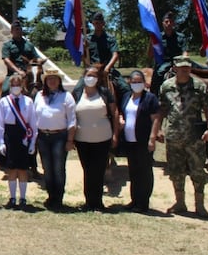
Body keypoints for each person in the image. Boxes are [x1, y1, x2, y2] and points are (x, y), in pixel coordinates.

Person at [150, 56, 208, 217]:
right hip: (173, 136)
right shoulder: (166, 86)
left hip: (195, 138)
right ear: (175, 68)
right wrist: (158, 130)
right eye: (182, 67)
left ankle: (200, 205)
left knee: (198, 171)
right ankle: (180, 203)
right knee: (176, 171)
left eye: (187, 67)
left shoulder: (199, 86)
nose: (185, 69)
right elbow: (162, 109)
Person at [72, 66, 119, 212]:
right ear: (83, 77)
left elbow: (115, 112)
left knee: (98, 171)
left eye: (94, 75)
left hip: (102, 139)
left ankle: (97, 202)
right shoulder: (77, 93)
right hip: (82, 139)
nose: (91, 78)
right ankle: (88, 202)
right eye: (88, 75)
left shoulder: (105, 93)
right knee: (87, 170)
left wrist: (115, 134)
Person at [32, 69, 76, 210]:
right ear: (45, 81)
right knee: (47, 168)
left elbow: (72, 120)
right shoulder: (39, 95)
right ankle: (50, 196)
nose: (52, 81)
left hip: (59, 136)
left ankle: (58, 198)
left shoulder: (66, 96)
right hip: (43, 136)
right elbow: (34, 116)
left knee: (58, 168)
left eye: (54, 78)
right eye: (49, 79)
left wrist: (70, 140)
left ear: (59, 81)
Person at [118, 70, 159, 213]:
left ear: (144, 82)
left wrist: (152, 138)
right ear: (129, 82)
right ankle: (134, 200)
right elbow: (123, 113)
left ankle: (143, 202)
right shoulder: (126, 97)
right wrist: (121, 120)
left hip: (143, 141)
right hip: (129, 141)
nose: (136, 84)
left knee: (145, 172)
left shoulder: (150, 98)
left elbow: (156, 120)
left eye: (139, 81)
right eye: (134, 82)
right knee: (133, 172)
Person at [0, 74, 36, 209]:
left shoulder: (28, 101)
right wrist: (1, 141)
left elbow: (33, 123)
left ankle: (23, 198)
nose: (16, 87)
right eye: (13, 85)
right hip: (10, 136)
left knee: (23, 170)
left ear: (22, 85)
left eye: (18, 85)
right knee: (11, 169)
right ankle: (12, 197)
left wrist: (32, 142)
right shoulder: (4, 101)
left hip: (24, 136)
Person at [78, 12, 128, 103]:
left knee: (125, 88)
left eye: (100, 23)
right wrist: (84, 49)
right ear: (93, 24)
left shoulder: (110, 38)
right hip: (92, 70)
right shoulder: (87, 39)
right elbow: (83, 57)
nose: (98, 25)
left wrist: (107, 68)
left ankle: (122, 112)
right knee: (77, 89)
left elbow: (115, 54)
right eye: (96, 23)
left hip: (107, 69)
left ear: (103, 23)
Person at [1, 20, 45, 93]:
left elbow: (36, 57)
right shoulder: (7, 45)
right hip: (13, 73)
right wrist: (18, 71)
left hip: (29, 73)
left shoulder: (29, 45)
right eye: (16, 29)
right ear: (12, 31)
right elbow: (6, 60)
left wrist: (40, 60)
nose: (19, 31)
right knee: (5, 89)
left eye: (20, 29)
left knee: (43, 88)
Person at [149, 11, 188, 94]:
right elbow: (150, 55)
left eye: (171, 21)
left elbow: (185, 52)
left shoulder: (181, 37)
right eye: (166, 22)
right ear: (163, 23)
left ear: (174, 23)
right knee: (158, 75)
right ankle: (156, 94)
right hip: (163, 63)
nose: (169, 24)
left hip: (178, 63)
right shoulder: (158, 38)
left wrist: (182, 61)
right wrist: (151, 42)